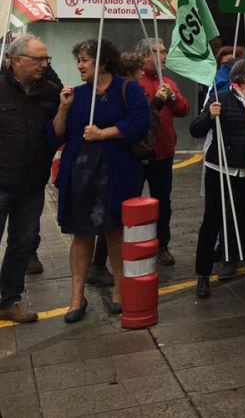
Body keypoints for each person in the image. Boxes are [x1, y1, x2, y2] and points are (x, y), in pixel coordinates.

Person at [50, 39, 150, 322]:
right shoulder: (76, 95)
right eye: (78, 60)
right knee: (80, 233)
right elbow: (57, 133)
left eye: (85, 60)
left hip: (115, 171)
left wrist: (103, 134)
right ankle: (75, 297)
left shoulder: (127, 89)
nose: (80, 66)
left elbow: (139, 123)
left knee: (114, 231)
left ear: (103, 62)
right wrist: (63, 108)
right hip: (80, 173)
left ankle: (120, 290)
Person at [191, 59, 245, 299]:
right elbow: (195, 129)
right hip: (220, 169)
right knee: (211, 222)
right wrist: (209, 117)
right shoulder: (221, 98)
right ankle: (202, 275)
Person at [0, 36, 60, 324]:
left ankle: (9, 300)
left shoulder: (51, 92)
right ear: (17, 60)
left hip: (32, 184)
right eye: (39, 59)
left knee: (22, 244)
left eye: (46, 59)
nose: (44, 64)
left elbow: (58, 129)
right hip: (1, 181)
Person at [134, 37, 189, 267]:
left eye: (165, 52)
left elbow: (184, 110)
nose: (165, 56)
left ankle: (162, 244)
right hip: (136, 154)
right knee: (132, 201)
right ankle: (133, 243)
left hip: (163, 153)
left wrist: (172, 96)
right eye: (160, 52)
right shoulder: (134, 82)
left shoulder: (168, 82)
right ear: (146, 56)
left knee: (163, 202)